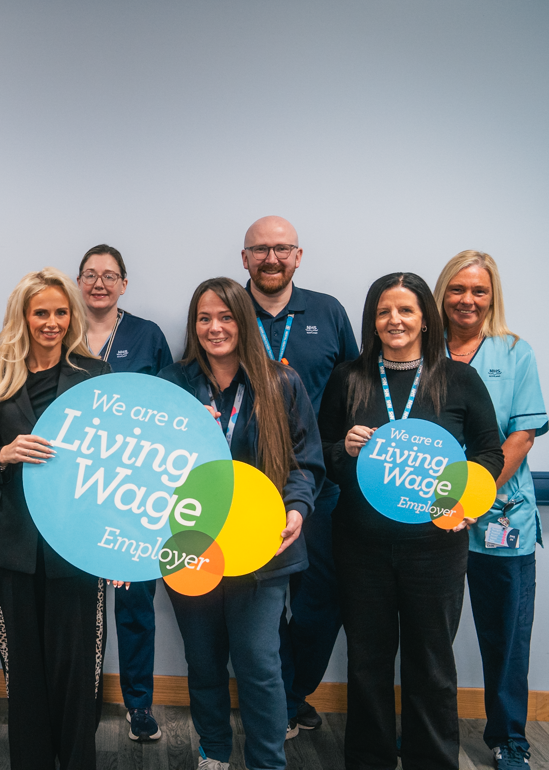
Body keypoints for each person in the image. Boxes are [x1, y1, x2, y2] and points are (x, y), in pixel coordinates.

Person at [319, 272, 504, 770]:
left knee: (432, 665)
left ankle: (433, 761)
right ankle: (370, 759)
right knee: (368, 663)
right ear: (372, 321)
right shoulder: (349, 378)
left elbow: (489, 451)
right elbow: (321, 455)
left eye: (405, 310)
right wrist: (345, 449)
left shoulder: (458, 378)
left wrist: (465, 497)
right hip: (361, 546)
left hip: (436, 549)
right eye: (383, 312)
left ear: (425, 318)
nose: (394, 320)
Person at [158, 277, 324, 770]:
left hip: (264, 548)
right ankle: (213, 754)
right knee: (204, 662)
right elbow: (150, 468)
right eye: (204, 318)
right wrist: (191, 441)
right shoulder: (173, 384)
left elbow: (304, 464)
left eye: (226, 317)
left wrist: (296, 510)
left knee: (258, 664)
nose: (215, 328)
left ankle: (267, 762)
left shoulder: (281, 381)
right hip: (192, 544)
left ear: (244, 322)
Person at [0, 268, 110, 770]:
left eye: (60, 312)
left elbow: (117, 462)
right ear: (23, 318)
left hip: (77, 546)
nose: (51, 322)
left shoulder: (95, 375)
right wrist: (5, 453)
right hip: (12, 542)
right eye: (41, 313)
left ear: (71, 316)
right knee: (24, 676)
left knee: (77, 675)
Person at [237, 216, 359, 738]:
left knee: (320, 599)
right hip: (242, 489)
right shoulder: (226, 309)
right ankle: (277, 699)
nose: (271, 258)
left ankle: (292, 691)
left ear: (298, 256)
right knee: (256, 599)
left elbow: (357, 386)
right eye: (260, 249)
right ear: (244, 258)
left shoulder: (328, 311)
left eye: (281, 249)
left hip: (319, 483)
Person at [433, 252, 546, 770]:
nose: (467, 300)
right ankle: (426, 728)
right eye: (457, 289)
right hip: (432, 522)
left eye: (479, 290)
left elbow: (520, 438)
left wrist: (474, 497)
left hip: (500, 520)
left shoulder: (514, 352)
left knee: (505, 638)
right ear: (441, 293)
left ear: (492, 295)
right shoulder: (422, 351)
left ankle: (509, 739)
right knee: (428, 634)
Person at [75, 243, 172, 742]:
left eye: (109, 275)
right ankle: (82, 702)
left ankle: (139, 705)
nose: (99, 283)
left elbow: (168, 406)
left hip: (134, 493)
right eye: (90, 274)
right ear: (78, 281)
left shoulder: (147, 336)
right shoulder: (59, 329)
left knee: (134, 602)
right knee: (79, 606)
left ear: (124, 284)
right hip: (73, 489)